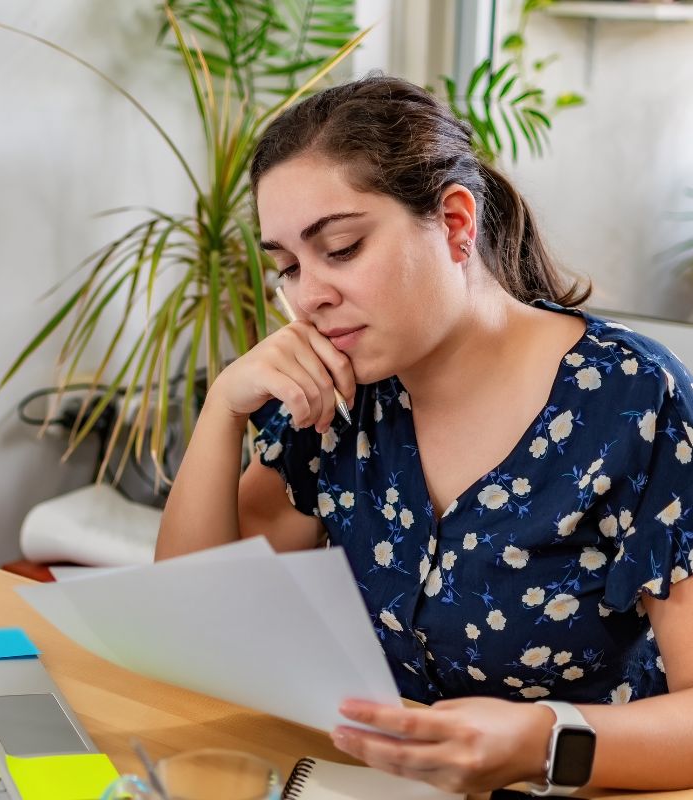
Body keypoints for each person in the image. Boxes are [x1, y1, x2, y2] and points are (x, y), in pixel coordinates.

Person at [155, 74, 693, 795]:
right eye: (287, 266)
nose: (309, 294)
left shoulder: (633, 399)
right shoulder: (338, 390)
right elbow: (192, 621)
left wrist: (539, 739)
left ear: (457, 223)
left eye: (340, 247)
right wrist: (223, 409)